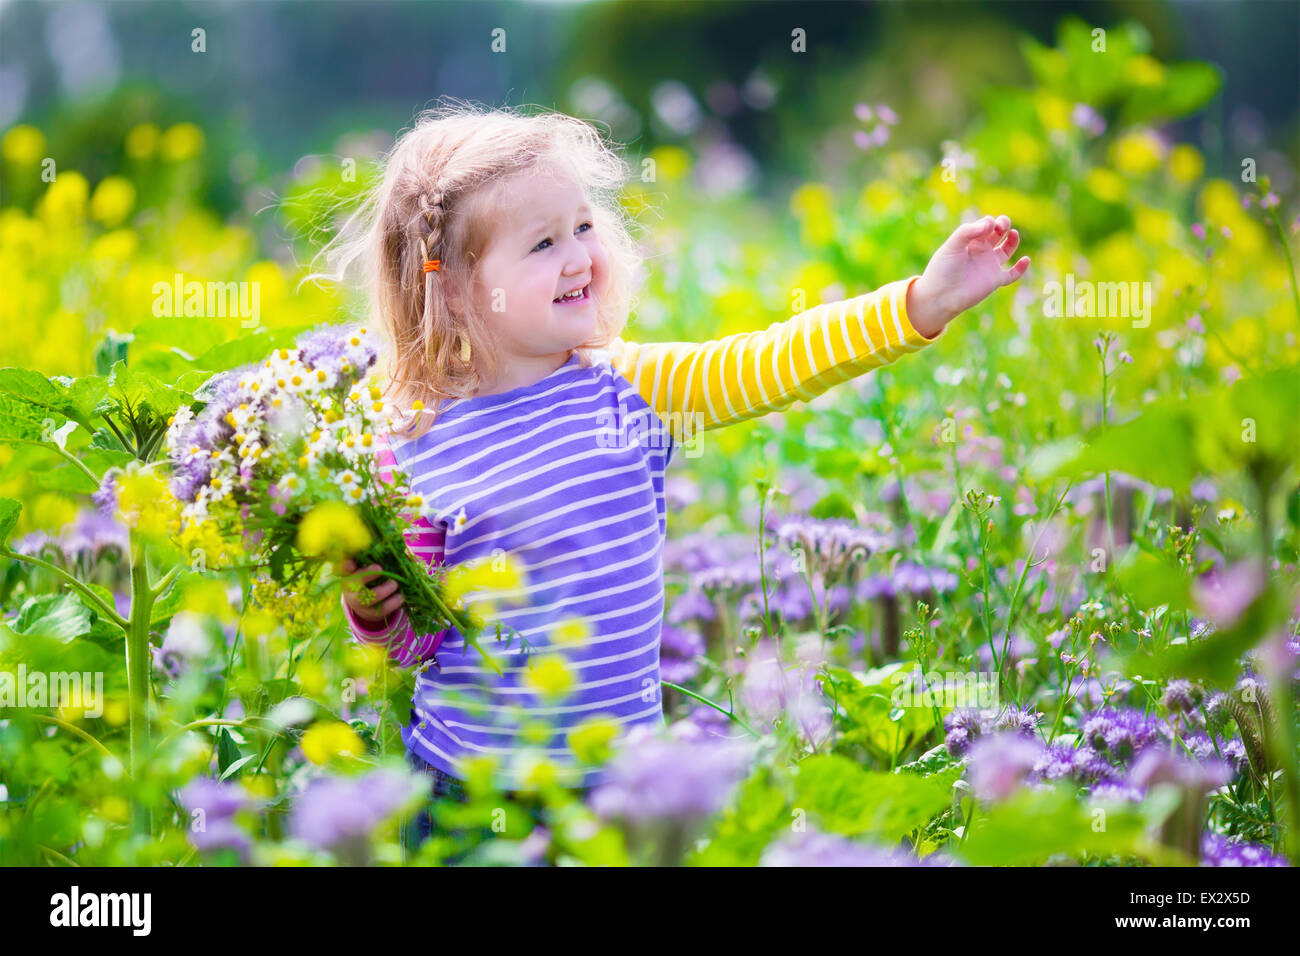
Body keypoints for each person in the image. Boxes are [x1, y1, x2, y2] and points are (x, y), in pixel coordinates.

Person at [322, 100, 1029, 855]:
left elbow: (770, 363)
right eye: (542, 243)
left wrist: (919, 303)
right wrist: (375, 609)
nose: (578, 257)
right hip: (468, 789)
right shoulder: (415, 443)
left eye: (583, 227)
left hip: (622, 784)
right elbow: (413, 645)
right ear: (457, 287)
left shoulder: (629, 389)